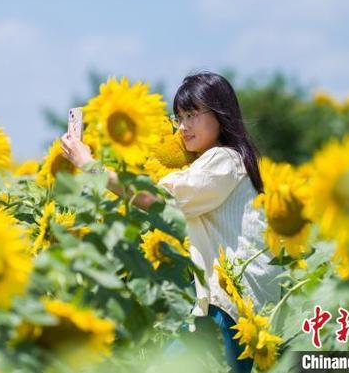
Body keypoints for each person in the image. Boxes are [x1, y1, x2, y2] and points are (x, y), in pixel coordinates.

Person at [60, 72, 281, 373]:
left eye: (191, 115)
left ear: (219, 114)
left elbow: (154, 199)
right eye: (179, 118)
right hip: (224, 305)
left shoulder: (224, 161)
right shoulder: (218, 162)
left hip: (232, 306)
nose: (183, 127)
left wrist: (89, 165)